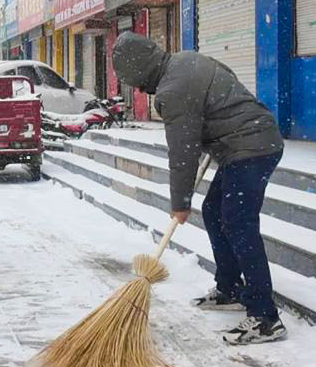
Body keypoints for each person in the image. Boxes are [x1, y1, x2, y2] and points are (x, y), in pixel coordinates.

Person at [109, 32, 287, 345]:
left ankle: (264, 316)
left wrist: (180, 202)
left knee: (238, 221)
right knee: (215, 211)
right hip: (248, 141)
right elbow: (226, 82)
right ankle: (230, 288)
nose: (138, 89)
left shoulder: (172, 89)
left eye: (135, 81)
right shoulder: (186, 59)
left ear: (142, 71)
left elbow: (183, 151)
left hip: (251, 146)